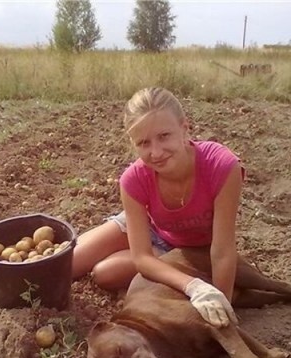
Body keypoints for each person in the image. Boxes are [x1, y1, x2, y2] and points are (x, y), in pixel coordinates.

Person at [72, 87, 244, 328]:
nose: (156, 152)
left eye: (164, 136)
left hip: (190, 248)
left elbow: (222, 250)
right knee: (68, 262)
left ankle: (162, 268)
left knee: (104, 273)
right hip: (149, 225)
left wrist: (221, 305)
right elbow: (141, 257)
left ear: (184, 129)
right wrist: (192, 286)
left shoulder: (221, 166)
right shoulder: (133, 179)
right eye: (143, 143)